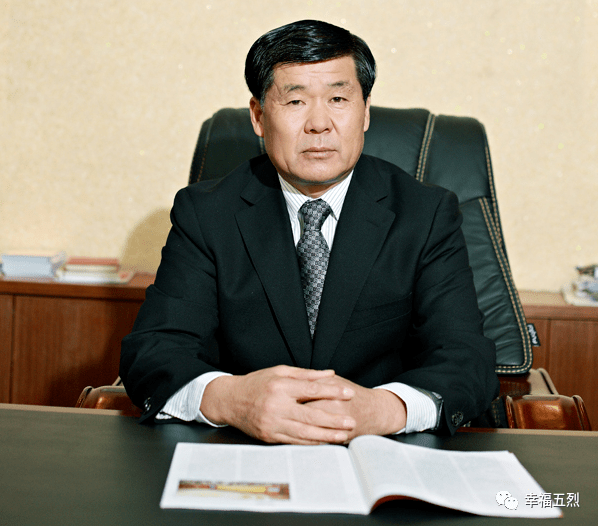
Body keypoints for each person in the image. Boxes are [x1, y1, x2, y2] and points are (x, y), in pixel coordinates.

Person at [120, 19, 499, 444]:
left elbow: (467, 358)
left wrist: (381, 409)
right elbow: (154, 352)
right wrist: (233, 401)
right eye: (296, 101)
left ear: (365, 112)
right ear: (258, 116)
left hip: (381, 450)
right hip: (244, 450)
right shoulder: (207, 214)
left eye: (338, 98)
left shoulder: (425, 214)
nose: (319, 124)